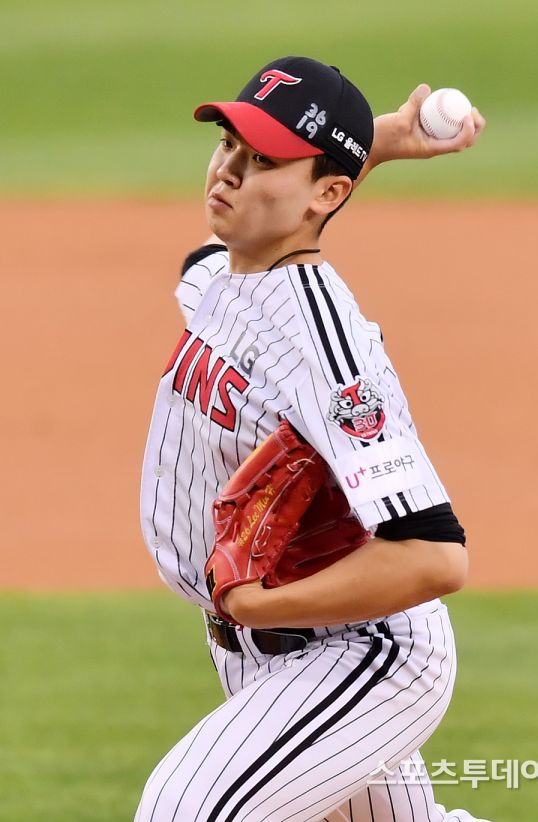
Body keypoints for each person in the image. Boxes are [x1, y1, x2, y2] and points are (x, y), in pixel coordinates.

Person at [135, 56, 489, 822]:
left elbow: (434, 555)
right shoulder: (226, 276)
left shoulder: (328, 352)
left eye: (262, 159)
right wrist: (376, 144)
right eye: (229, 144)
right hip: (273, 650)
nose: (227, 171)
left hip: (365, 656)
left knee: (186, 810)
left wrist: (264, 606)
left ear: (327, 195)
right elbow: (223, 248)